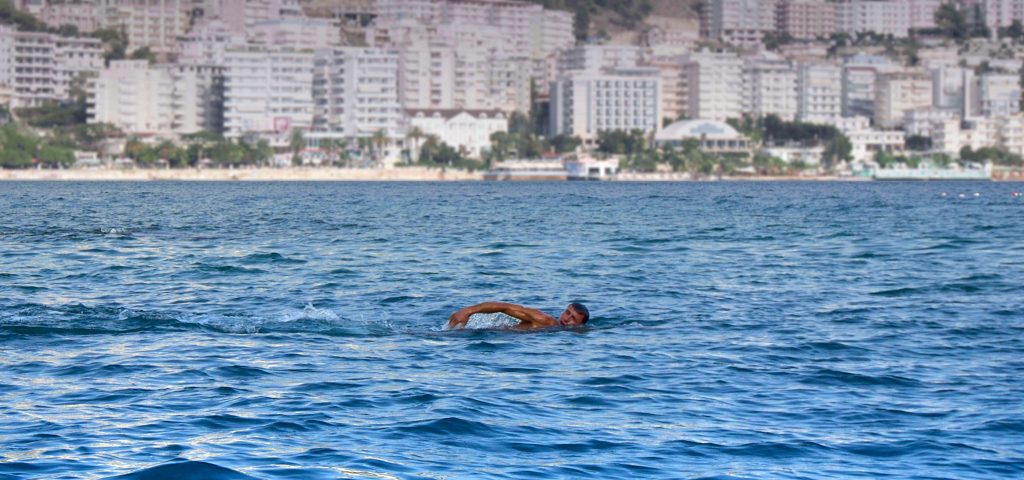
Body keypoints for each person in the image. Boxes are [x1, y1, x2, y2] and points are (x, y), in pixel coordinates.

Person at [447, 301, 590, 330]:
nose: (566, 318)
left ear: (580, 326)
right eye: (567, 313)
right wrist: (468, 311)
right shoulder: (546, 320)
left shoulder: (556, 328)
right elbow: (506, 307)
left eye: (573, 319)